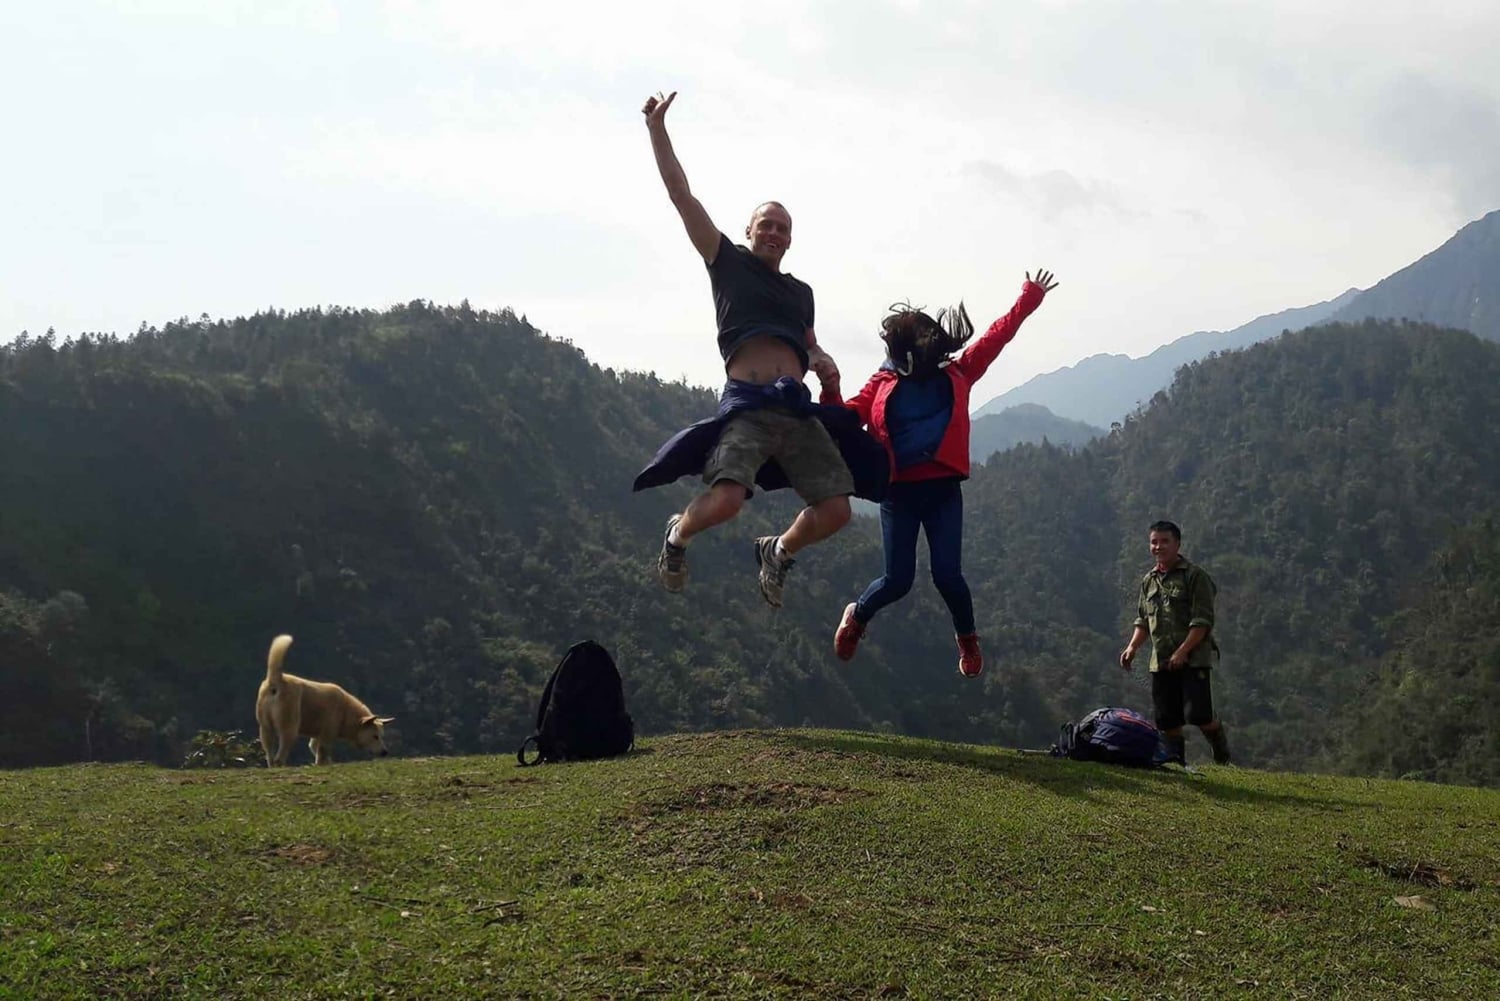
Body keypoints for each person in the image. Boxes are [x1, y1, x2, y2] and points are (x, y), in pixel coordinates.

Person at [632, 90, 887, 608]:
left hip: (796, 412)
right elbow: (682, 195)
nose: (773, 232)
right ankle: (677, 535)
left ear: (790, 241)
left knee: (837, 509)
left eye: (782, 228)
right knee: (726, 499)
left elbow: (809, 346)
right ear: (749, 231)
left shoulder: (801, 293)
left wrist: (822, 363)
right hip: (749, 407)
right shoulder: (725, 262)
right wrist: (657, 130)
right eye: (765, 224)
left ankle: (779, 550)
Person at [824, 272, 1056, 676]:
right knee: (897, 580)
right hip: (897, 494)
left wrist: (1029, 299)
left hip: (943, 489)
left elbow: (995, 338)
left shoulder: (958, 372)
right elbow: (846, 418)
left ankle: (967, 640)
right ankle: (857, 617)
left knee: (948, 576)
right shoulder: (882, 382)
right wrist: (829, 389)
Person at [1118, 520, 1232, 764]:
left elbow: (1202, 621)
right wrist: (1132, 647)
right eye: (1154, 542)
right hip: (1161, 660)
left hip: (1194, 658)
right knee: (1168, 718)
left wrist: (1183, 652)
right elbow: (1143, 620)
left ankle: (1221, 751)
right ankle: (1176, 762)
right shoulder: (1149, 581)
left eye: (1164, 541)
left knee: (1199, 714)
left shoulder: (1195, 577)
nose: (1158, 547)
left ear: (1177, 544)